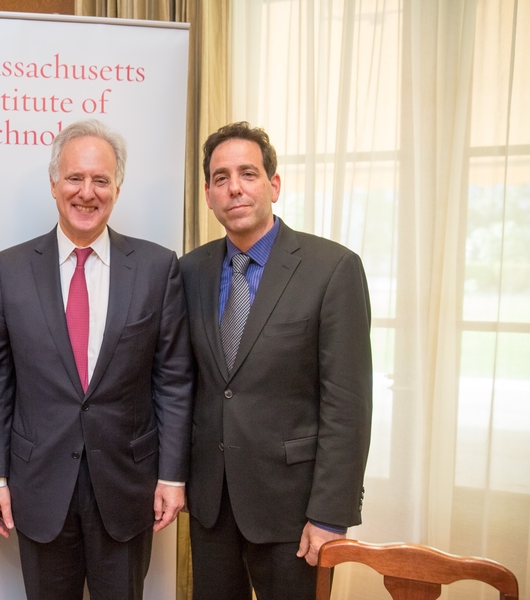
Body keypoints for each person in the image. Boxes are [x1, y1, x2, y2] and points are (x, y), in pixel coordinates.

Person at [0, 119, 193, 600]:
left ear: (117, 187)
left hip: (127, 484)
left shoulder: (158, 268)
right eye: (75, 178)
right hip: (37, 485)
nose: (87, 192)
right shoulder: (9, 269)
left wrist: (172, 476)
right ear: (54, 183)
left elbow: (173, 381)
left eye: (101, 179)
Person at [180, 122, 372, 600]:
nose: (235, 187)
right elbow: (188, 384)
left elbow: (347, 405)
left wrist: (331, 513)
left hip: (295, 511)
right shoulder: (190, 271)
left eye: (248, 173)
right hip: (212, 507)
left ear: (274, 185)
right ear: (208, 195)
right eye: (220, 178)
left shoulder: (332, 269)